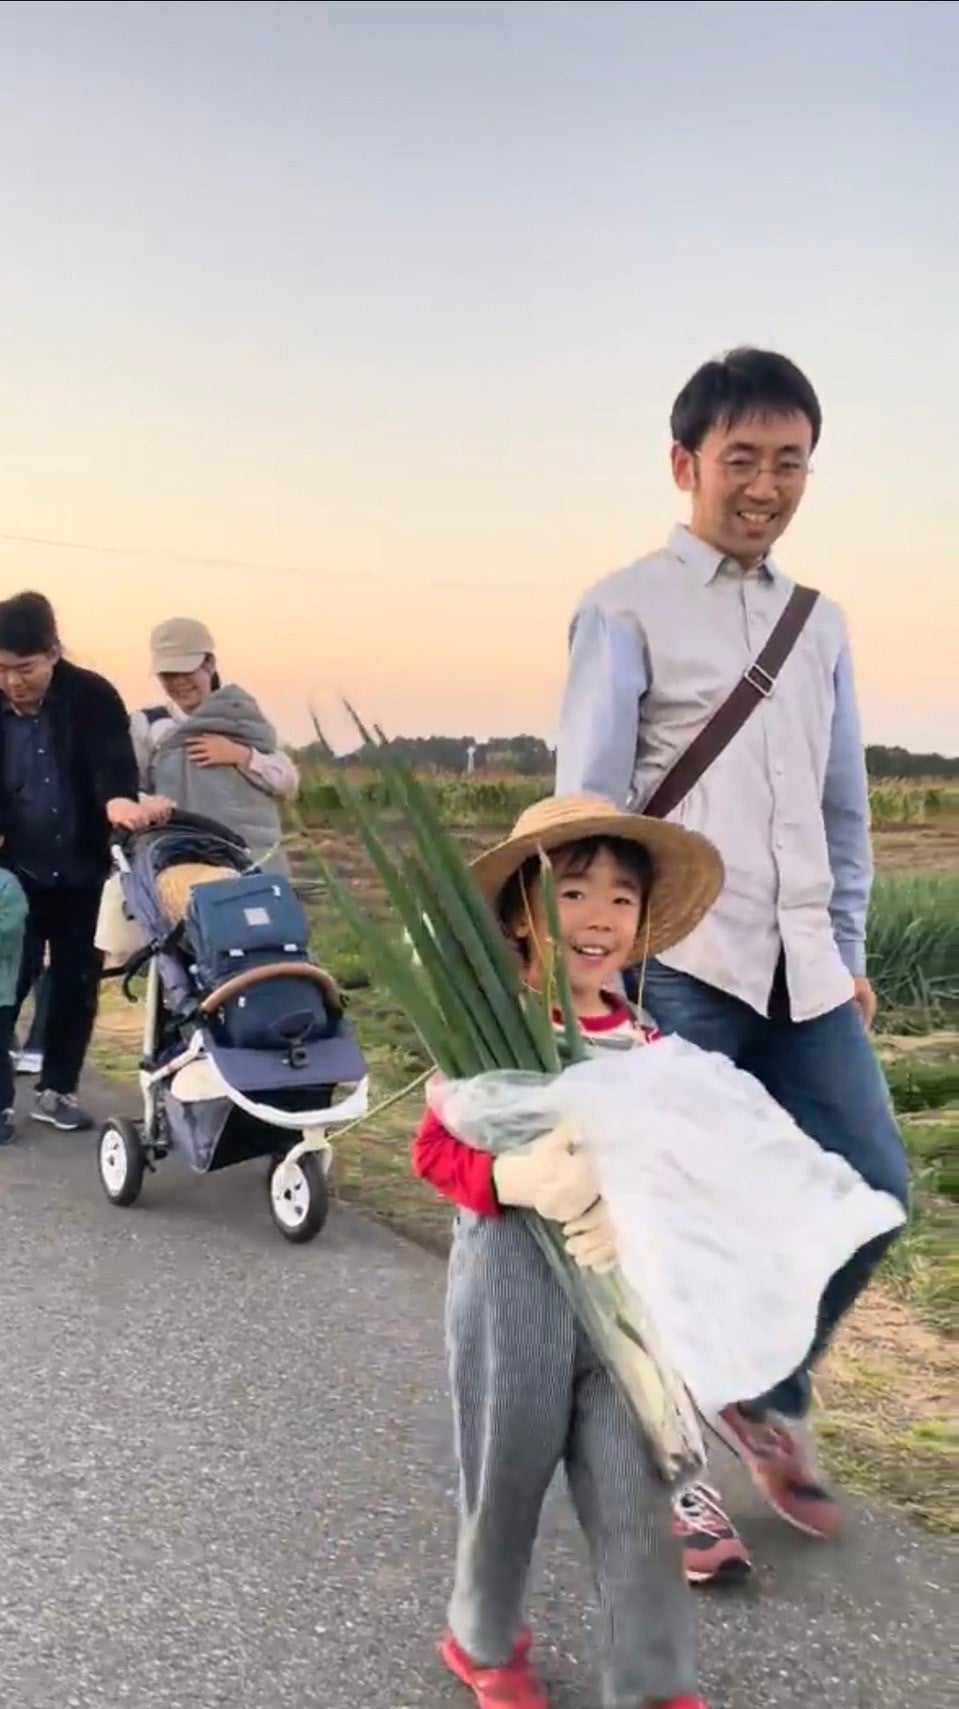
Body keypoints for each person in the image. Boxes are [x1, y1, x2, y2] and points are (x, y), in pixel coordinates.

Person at [554, 347, 909, 1581]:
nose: (764, 485)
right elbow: (586, 804)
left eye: (788, 461)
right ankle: (671, 1477)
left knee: (872, 1190)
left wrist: (848, 945)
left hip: (802, 971)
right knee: (656, 1232)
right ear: (684, 464)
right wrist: (584, 963)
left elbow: (839, 807)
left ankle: (761, 1387)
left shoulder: (820, 624)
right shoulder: (626, 604)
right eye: (741, 459)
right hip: (677, 965)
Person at [412, 793, 724, 1709]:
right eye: (570, 891)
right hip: (512, 1295)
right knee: (503, 1479)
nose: (595, 917)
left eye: (620, 898)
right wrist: (516, 1179)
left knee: (638, 1498)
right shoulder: (488, 1035)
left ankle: (652, 1676)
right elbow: (435, 1149)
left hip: (622, 1306)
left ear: (639, 923)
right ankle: (480, 1639)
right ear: (518, 913)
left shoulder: (653, 1047)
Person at [0, 592, 155, 1135]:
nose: (14, 682)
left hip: (84, 867)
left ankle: (57, 1089)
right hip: (14, 871)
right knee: (6, 983)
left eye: (25, 668)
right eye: (1, 670)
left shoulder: (91, 696)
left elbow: (113, 762)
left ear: (54, 653)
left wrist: (118, 803)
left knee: (75, 982)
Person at [131, 617, 298, 869]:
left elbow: (287, 782)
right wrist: (149, 804)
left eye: (186, 672)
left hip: (246, 859)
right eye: (168, 674)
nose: (178, 683)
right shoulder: (150, 725)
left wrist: (241, 756)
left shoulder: (240, 716)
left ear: (209, 663)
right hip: (178, 859)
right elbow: (128, 789)